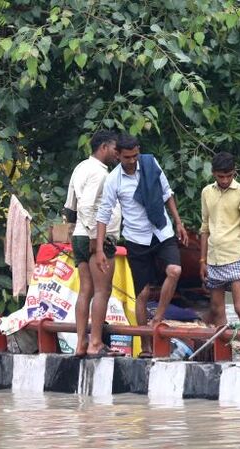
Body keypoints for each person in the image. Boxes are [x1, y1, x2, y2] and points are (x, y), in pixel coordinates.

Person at [94, 135, 189, 356]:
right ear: (117, 155)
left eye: (135, 155)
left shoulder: (150, 163)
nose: (133, 160)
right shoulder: (113, 180)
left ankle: (157, 318)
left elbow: (167, 193)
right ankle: (146, 347)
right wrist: (99, 248)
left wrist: (178, 222)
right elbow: (103, 214)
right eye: (127, 157)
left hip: (161, 230)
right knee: (143, 293)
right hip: (136, 238)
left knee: (175, 271)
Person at [65, 130, 124, 358]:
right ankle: (95, 343)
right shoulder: (100, 173)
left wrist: (78, 231)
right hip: (96, 236)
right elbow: (88, 205)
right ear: (104, 148)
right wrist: (94, 238)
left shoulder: (80, 168)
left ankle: (81, 343)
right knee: (102, 290)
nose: (117, 155)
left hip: (79, 234)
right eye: (115, 150)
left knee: (85, 290)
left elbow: (70, 206)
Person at [199, 151, 240, 326]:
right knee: (217, 309)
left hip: (235, 258)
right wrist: (203, 260)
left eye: (229, 176)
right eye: (221, 176)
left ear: (234, 172)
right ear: (214, 173)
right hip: (214, 258)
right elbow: (205, 227)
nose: (225, 180)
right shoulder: (206, 192)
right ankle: (224, 353)